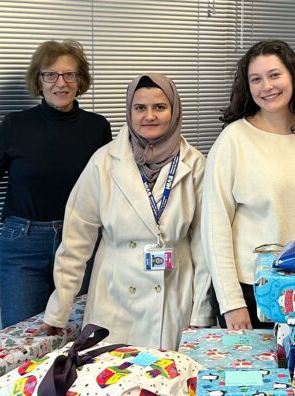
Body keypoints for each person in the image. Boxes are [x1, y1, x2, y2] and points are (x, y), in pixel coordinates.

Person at [39, 74, 213, 350]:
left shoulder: (196, 165)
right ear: (129, 111)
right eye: (140, 108)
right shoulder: (104, 162)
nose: (149, 116)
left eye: (160, 107)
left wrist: (201, 314)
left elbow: (205, 247)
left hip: (172, 300)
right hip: (114, 298)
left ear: (174, 110)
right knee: (111, 384)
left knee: (164, 384)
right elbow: (76, 240)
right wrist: (59, 307)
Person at [0, 40, 111, 327]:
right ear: (38, 81)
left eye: (69, 75)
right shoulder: (15, 125)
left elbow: (110, 190)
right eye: (50, 75)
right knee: (23, 336)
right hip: (23, 245)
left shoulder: (97, 127)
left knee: (76, 334)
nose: (60, 83)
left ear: (80, 81)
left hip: (79, 242)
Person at [201, 39, 295, 330]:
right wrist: (231, 303)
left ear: (292, 76)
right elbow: (214, 227)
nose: (266, 86)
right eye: (256, 79)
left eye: (274, 75)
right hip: (254, 290)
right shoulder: (234, 140)